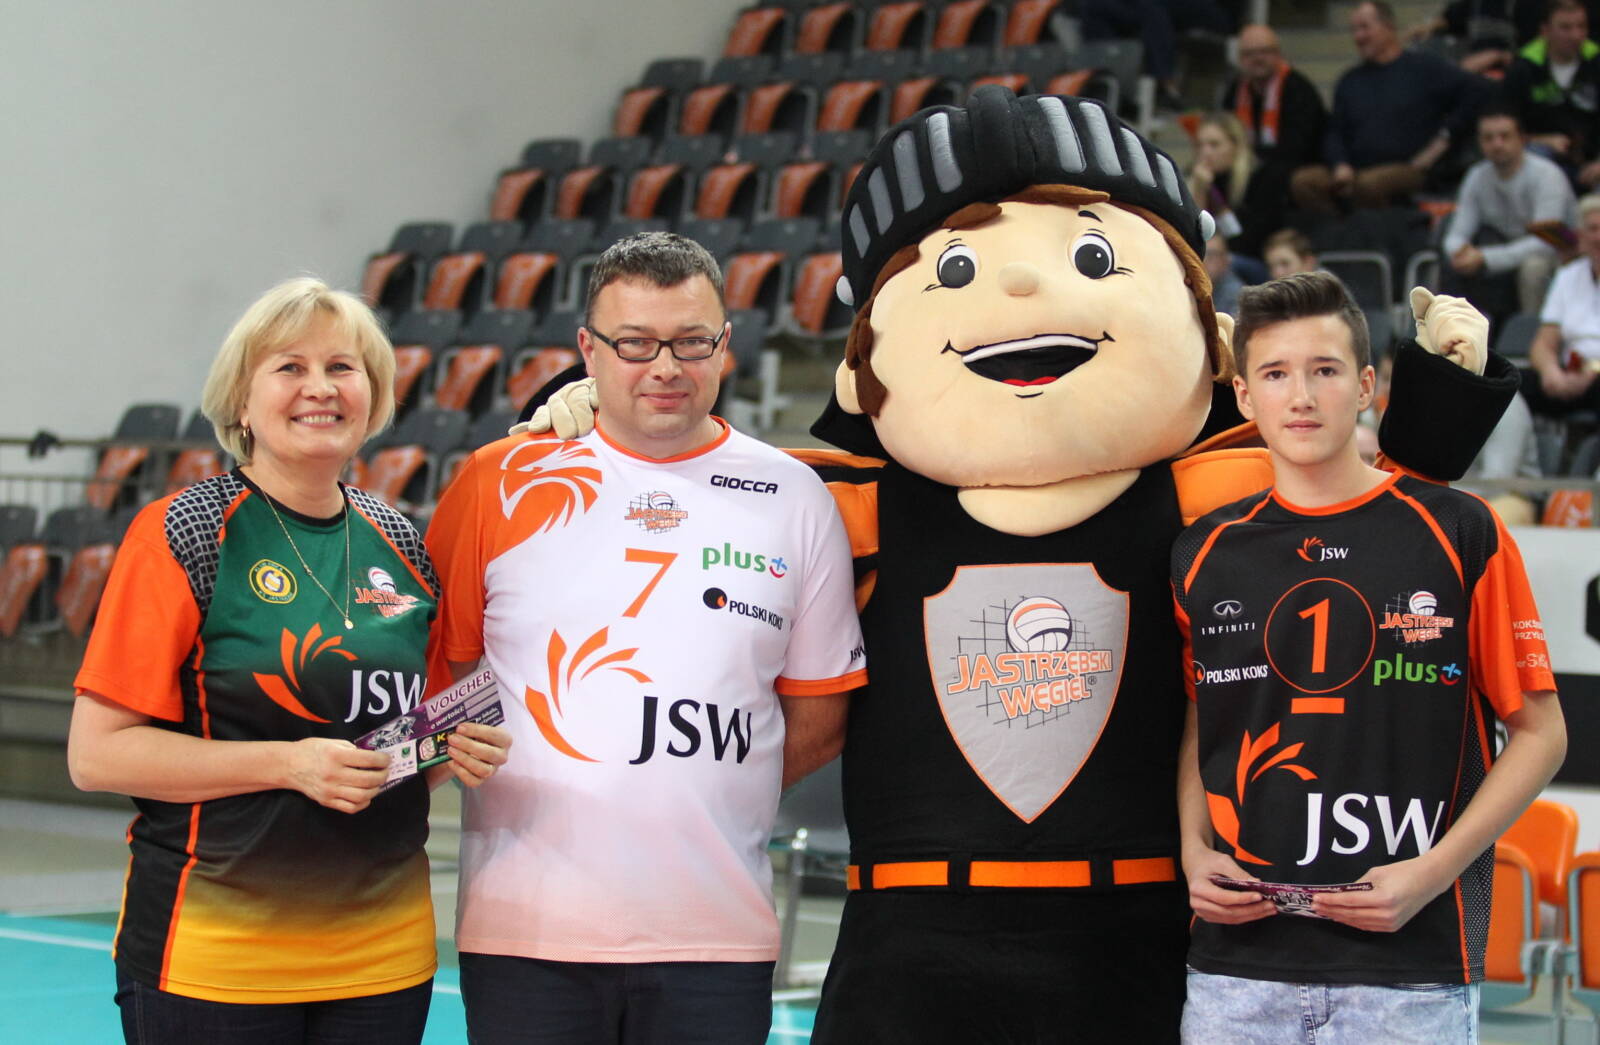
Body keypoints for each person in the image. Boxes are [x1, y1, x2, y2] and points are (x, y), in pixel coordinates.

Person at [526, 87, 1518, 1044]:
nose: (1020, 290)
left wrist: (1435, 412)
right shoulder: (842, 503)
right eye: (954, 269)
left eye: (1093, 255)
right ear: (859, 364)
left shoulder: (1207, 496)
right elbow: (695, 502)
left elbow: (1365, 508)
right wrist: (606, 437)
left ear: (1209, 337)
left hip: (1134, 934)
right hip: (910, 937)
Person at [424, 232, 866, 1045]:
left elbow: (819, 713)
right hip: (526, 930)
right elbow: (444, 678)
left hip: (717, 934)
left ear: (725, 347)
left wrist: (709, 786)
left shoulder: (793, 496)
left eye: (690, 341)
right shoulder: (500, 479)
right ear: (588, 349)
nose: (665, 366)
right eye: (635, 343)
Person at [66, 277, 511, 1043]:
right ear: (242, 402)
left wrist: (450, 748)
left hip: (384, 960)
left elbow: (399, 749)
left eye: (342, 367)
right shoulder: (185, 531)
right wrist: (288, 763)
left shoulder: (402, 543)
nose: (321, 387)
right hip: (214, 958)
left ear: (372, 395)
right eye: (290, 368)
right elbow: (96, 754)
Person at [1172, 271, 1565, 1043]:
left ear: (1365, 387)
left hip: (1409, 975)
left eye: (1324, 370)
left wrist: (1432, 873)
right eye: (1276, 374)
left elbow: (1542, 734)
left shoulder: (1461, 530)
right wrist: (1192, 848)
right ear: (1244, 397)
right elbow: (1202, 717)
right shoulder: (1203, 550)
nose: (1301, 396)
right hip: (1234, 973)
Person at [1293, 1, 1488, 212]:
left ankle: (1372, 230)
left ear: (1388, 27)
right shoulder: (1349, 81)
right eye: (1354, 30)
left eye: (1365, 27)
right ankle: (1338, 230)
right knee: (1304, 181)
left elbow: (1478, 91)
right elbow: (1335, 131)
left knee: (1368, 185)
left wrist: (1445, 137)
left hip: (1408, 169)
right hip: (1355, 170)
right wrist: (1340, 164)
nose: (1358, 37)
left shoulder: (1424, 68)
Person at [1443, 106, 1577, 322]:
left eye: (1505, 136)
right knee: (1456, 264)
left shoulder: (1547, 175)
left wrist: (1485, 257)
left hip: (1561, 253)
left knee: (1533, 268)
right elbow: (1457, 232)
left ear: (1522, 139)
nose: (1497, 144)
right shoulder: (1476, 176)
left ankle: (1530, 334)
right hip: (1503, 250)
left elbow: (1547, 241)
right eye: (1488, 138)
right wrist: (1459, 252)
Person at [1220, 25, 1329, 212]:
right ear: (1240, 59)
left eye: (1264, 51)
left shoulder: (1298, 88)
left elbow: (1299, 146)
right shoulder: (1234, 92)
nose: (1257, 59)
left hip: (1297, 165)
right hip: (1252, 164)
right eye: (1249, 54)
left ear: (1278, 54)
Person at [1503, 0, 1600, 188]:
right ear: (1545, 31)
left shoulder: (1596, 62)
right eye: (1565, 28)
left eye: (1581, 26)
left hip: (1593, 163)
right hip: (1541, 161)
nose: (1576, 35)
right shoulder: (1523, 68)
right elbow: (1503, 125)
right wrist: (1541, 140)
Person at [1525, 191, 1600, 419]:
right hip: (1570, 372)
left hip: (1595, 376)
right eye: (1593, 229)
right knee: (1511, 385)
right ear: (1580, 236)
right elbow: (1544, 342)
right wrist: (1551, 372)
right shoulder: (1568, 275)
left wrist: (1593, 371)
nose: (1598, 237)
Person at [1188, 112, 1277, 259]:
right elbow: (1193, 235)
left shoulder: (1260, 178)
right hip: (1209, 258)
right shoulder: (1200, 178)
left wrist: (1214, 196)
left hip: (1249, 259)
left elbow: (1240, 239)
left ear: (1236, 146)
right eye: (1199, 145)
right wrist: (1200, 190)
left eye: (1214, 145)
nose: (1205, 152)